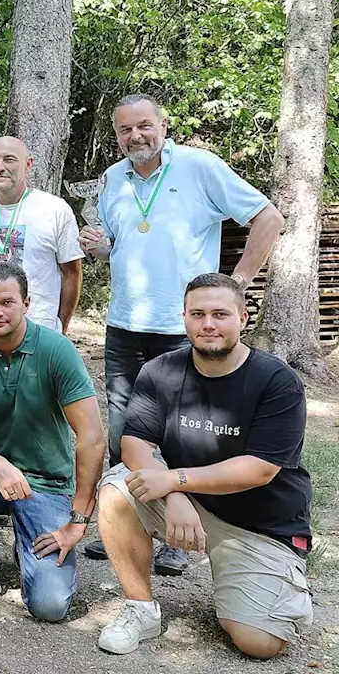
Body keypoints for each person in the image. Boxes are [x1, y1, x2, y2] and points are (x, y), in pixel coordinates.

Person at [78, 94, 284, 573]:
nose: (136, 136)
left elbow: (268, 217)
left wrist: (237, 284)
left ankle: (177, 535)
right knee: (124, 432)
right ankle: (130, 519)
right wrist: (101, 248)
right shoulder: (111, 179)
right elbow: (124, 242)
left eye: (144, 126)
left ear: (163, 126)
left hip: (182, 329)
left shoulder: (199, 167)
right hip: (125, 325)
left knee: (179, 436)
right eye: (125, 130)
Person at [96, 273, 312, 659]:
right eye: (198, 314)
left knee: (259, 645)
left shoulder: (277, 381)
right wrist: (174, 493)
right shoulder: (160, 370)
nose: (208, 324)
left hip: (259, 526)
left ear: (243, 318)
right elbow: (133, 442)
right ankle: (140, 609)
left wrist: (174, 479)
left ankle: (246, 580)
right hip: (187, 504)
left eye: (220, 314)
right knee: (117, 489)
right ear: (184, 317)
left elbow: (259, 469)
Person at [0, 262, 105, 621]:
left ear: (26, 303)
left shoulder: (56, 351)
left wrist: (78, 521)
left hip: (46, 484)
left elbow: (91, 437)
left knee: (49, 606)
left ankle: (27, 545)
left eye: (7, 302)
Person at [0, 136, 83, 337]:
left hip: (38, 331)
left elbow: (72, 273)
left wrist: (61, 327)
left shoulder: (55, 210)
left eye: (9, 159)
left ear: (28, 164)